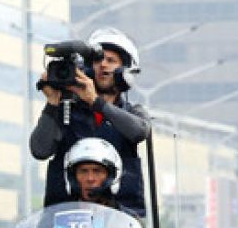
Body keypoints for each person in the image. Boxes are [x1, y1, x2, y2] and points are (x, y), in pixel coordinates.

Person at [31, 27, 151, 215]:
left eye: (111, 61)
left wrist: (95, 101)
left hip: (122, 221)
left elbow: (139, 132)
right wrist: (53, 102)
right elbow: (40, 150)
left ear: (126, 69)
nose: (103, 65)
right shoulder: (65, 111)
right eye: (97, 60)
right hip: (62, 220)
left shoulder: (133, 113)